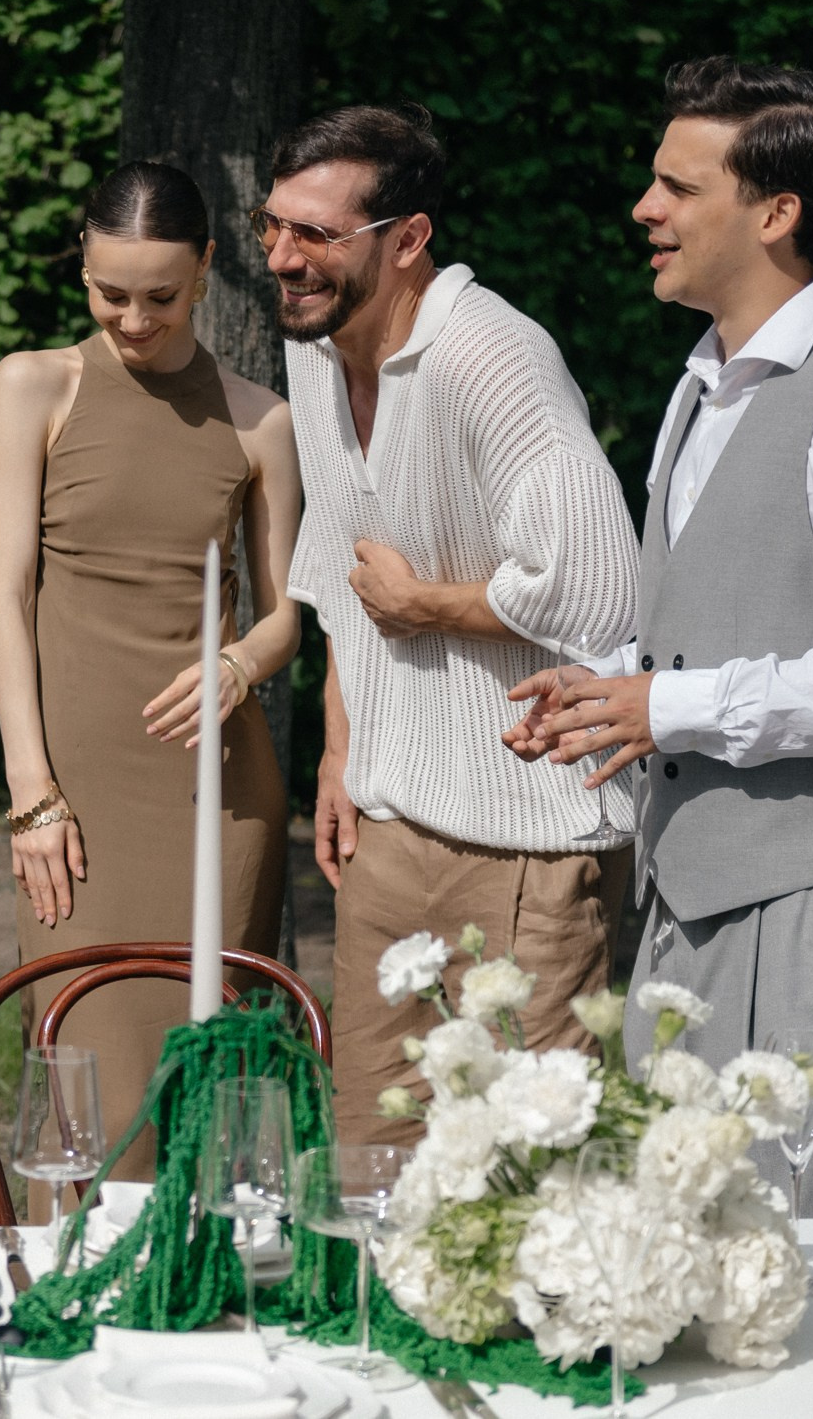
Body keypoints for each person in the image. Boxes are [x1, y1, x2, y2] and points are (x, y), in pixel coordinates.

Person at [507, 57, 813, 1216]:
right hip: (690, 889)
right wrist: (617, 691)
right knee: (684, 1229)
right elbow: (732, 612)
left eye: (678, 187)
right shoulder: (698, 387)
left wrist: (675, 708)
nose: (645, 208)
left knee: (812, 1243)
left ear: (775, 213)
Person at [268, 105, 642, 1147]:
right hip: (389, 826)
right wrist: (340, 749)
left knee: (525, 1182)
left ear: (409, 238)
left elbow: (600, 586)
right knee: (368, 1162)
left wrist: (424, 605)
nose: (284, 258)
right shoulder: (314, 346)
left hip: (529, 840)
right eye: (272, 226)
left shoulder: (494, 356)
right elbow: (339, 567)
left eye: (316, 233)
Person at [0, 162, 301, 1180]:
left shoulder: (260, 419)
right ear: (82, 265)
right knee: (89, 1102)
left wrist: (241, 661)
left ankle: (207, 1276)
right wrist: (32, 791)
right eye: (108, 292)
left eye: (159, 295)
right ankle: (76, 1282)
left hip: (215, 794)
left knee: (208, 1095)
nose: (132, 319)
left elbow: (289, 614)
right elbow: (4, 597)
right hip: (73, 792)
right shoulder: (33, 385)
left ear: (206, 268)